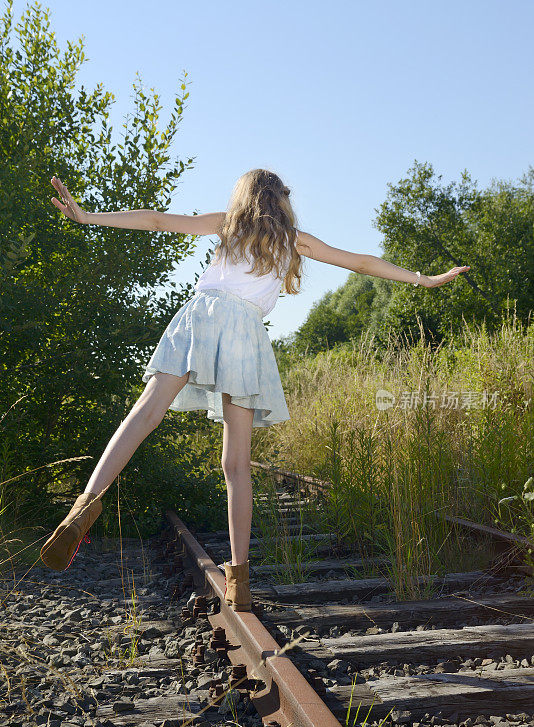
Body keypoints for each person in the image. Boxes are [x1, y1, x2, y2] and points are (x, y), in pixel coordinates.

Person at [40, 169, 471, 611]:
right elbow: (360, 261)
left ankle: (82, 512)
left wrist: (90, 217)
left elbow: (157, 220)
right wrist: (425, 278)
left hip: (200, 316)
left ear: (242, 196)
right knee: (237, 464)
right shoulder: (294, 240)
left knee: (145, 414)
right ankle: (239, 580)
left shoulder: (228, 223)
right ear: (282, 200)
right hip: (244, 334)